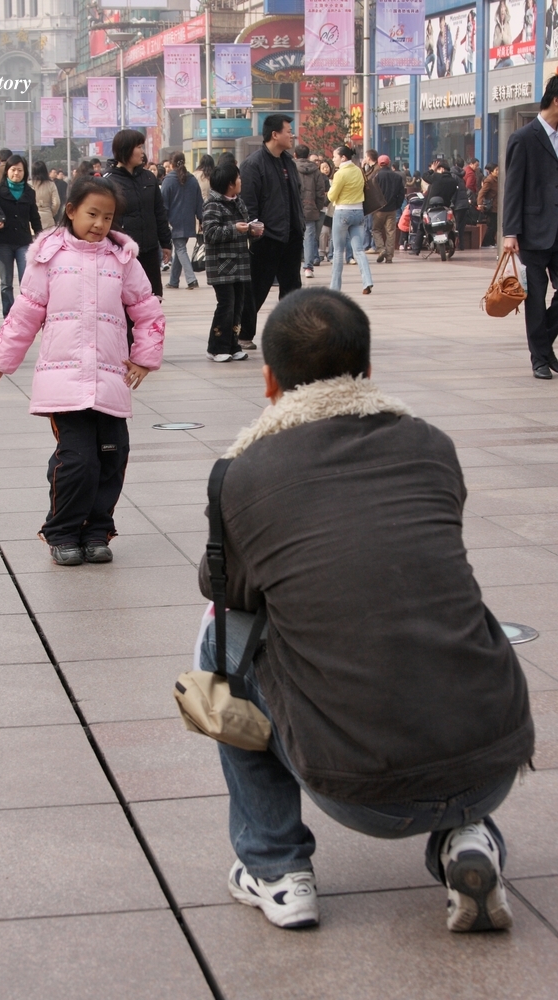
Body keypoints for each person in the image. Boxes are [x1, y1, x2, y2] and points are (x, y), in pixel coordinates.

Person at [195, 286, 534, 933]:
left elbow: (224, 590)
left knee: (218, 644)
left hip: (359, 791)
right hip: (493, 764)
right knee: (419, 605)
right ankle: (467, 836)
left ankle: (275, 867)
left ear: (269, 380)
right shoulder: (430, 444)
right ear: (367, 370)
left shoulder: (242, 472)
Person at [0, 176, 165, 566]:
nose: (99, 224)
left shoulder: (122, 260)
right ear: (71, 211)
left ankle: (97, 531)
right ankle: (62, 532)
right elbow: (26, 313)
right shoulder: (48, 257)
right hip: (64, 382)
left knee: (112, 455)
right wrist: (2, 360)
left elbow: (147, 310)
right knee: (78, 459)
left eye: (107, 217)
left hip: (110, 378)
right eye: (92, 214)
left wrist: (144, 357)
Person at [503, 75, 558, 378]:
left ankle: (543, 346)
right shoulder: (523, 138)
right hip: (533, 232)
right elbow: (513, 188)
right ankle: (540, 360)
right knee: (535, 298)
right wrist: (510, 232)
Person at [238, 114, 304, 350]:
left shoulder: (289, 163)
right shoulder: (254, 165)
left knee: (292, 288)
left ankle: (291, 334)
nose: (292, 135)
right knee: (256, 288)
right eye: (288, 131)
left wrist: (300, 225)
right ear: (274, 135)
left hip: (291, 236)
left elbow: (295, 196)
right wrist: (256, 231)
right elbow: (248, 204)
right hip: (266, 239)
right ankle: (243, 334)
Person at [202, 161, 264, 363]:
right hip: (221, 266)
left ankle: (232, 345)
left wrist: (253, 232)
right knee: (226, 305)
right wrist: (234, 229)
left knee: (238, 305)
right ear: (229, 183)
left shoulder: (238, 202)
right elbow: (210, 233)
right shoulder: (212, 205)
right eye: (237, 178)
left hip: (240, 263)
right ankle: (216, 347)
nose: (240, 181)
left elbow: (243, 229)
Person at [107, 129, 172, 297]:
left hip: (149, 250)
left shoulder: (149, 178)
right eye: (139, 147)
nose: (142, 152)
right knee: (126, 299)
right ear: (126, 149)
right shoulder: (109, 182)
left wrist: (166, 243)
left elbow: (159, 212)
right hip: (122, 253)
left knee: (153, 297)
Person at [0, 154, 42, 317]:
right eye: (13, 170)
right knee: (6, 282)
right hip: (4, 241)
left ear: (25, 172)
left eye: (20, 170)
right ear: (7, 171)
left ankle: (23, 312)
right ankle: (8, 314)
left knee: (25, 280)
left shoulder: (29, 192)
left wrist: (40, 237)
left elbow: (34, 216)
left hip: (23, 241)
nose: (16, 173)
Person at [328, 145, 373, 295]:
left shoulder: (340, 174)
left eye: (335, 156)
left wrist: (329, 192)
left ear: (343, 157)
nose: (333, 159)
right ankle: (367, 281)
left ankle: (335, 287)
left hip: (342, 212)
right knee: (359, 250)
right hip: (359, 211)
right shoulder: (358, 170)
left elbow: (332, 196)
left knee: (338, 251)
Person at [161, 152, 203, 290]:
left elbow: (163, 204)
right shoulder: (192, 180)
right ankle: (174, 281)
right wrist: (201, 219)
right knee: (180, 250)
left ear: (171, 164)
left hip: (174, 222)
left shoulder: (168, 180)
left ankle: (191, 279)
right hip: (189, 221)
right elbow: (199, 202)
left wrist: (163, 221)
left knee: (180, 249)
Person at [411, 160, 458, 254]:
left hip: (430, 207)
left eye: (438, 169)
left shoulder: (437, 177)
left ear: (442, 169)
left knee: (422, 226)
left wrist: (432, 170)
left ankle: (416, 249)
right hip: (445, 207)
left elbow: (425, 176)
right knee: (450, 225)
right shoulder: (453, 181)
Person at [294, 144, 327, 279]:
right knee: (309, 239)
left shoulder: (291, 168)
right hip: (311, 209)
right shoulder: (316, 171)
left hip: (294, 209)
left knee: (293, 239)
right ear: (308, 156)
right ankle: (308, 267)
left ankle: (292, 267)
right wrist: (317, 207)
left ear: (295, 155)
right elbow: (320, 191)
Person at [372, 154, 405, 263]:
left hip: (378, 209)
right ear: (389, 163)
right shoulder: (397, 177)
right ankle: (389, 256)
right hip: (392, 209)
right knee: (390, 232)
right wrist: (397, 205)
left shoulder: (376, 176)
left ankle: (381, 249)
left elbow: (372, 193)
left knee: (376, 230)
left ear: (378, 163)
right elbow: (401, 194)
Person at [29, 160, 60, 231]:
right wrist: (50, 213)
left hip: (31, 219)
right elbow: (56, 203)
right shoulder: (51, 184)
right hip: (48, 218)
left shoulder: (29, 184)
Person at [451, 156, 471, 250]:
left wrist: (451, 203)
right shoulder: (461, 177)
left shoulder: (453, 176)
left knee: (456, 225)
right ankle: (461, 245)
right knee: (461, 226)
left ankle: (455, 244)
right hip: (464, 204)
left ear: (455, 164)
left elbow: (453, 191)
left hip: (457, 205)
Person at [478, 163, 498, 248]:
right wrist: (480, 204)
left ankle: (492, 242)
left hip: (496, 206)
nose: (498, 171)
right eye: (496, 170)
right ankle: (486, 243)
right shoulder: (489, 180)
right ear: (491, 171)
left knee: (495, 225)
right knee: (491, 226)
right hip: (491, 207)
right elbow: (481, 192)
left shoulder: (497, 179)